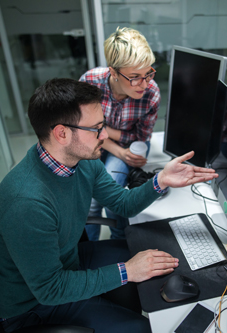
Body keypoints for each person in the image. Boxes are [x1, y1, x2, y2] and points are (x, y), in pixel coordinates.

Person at [0, 78, 218, 332]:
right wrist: (127, 271)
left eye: (103, 124)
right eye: (97, 129)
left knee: (158, 252)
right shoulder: (26, 203)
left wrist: (160, 181)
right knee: (142, 328)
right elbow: (50, 289)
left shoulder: (82, 160)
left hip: (68, 260)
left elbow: (122, 203)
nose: (105, 136)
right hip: (32, 305)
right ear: (61, 134)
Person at [79, 27, 160, 241]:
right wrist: (117, 147)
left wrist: (106, 131)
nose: (144, 84)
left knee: (113, 193)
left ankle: (120, 243)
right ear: (113, 72)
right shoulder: (90, 81)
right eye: (135, 77)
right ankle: (90, 248)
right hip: (96, 141)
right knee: (90, 203)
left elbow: (140, 137)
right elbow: (83, 130)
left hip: (126, 144)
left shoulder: (151, 93)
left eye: (148, 73)